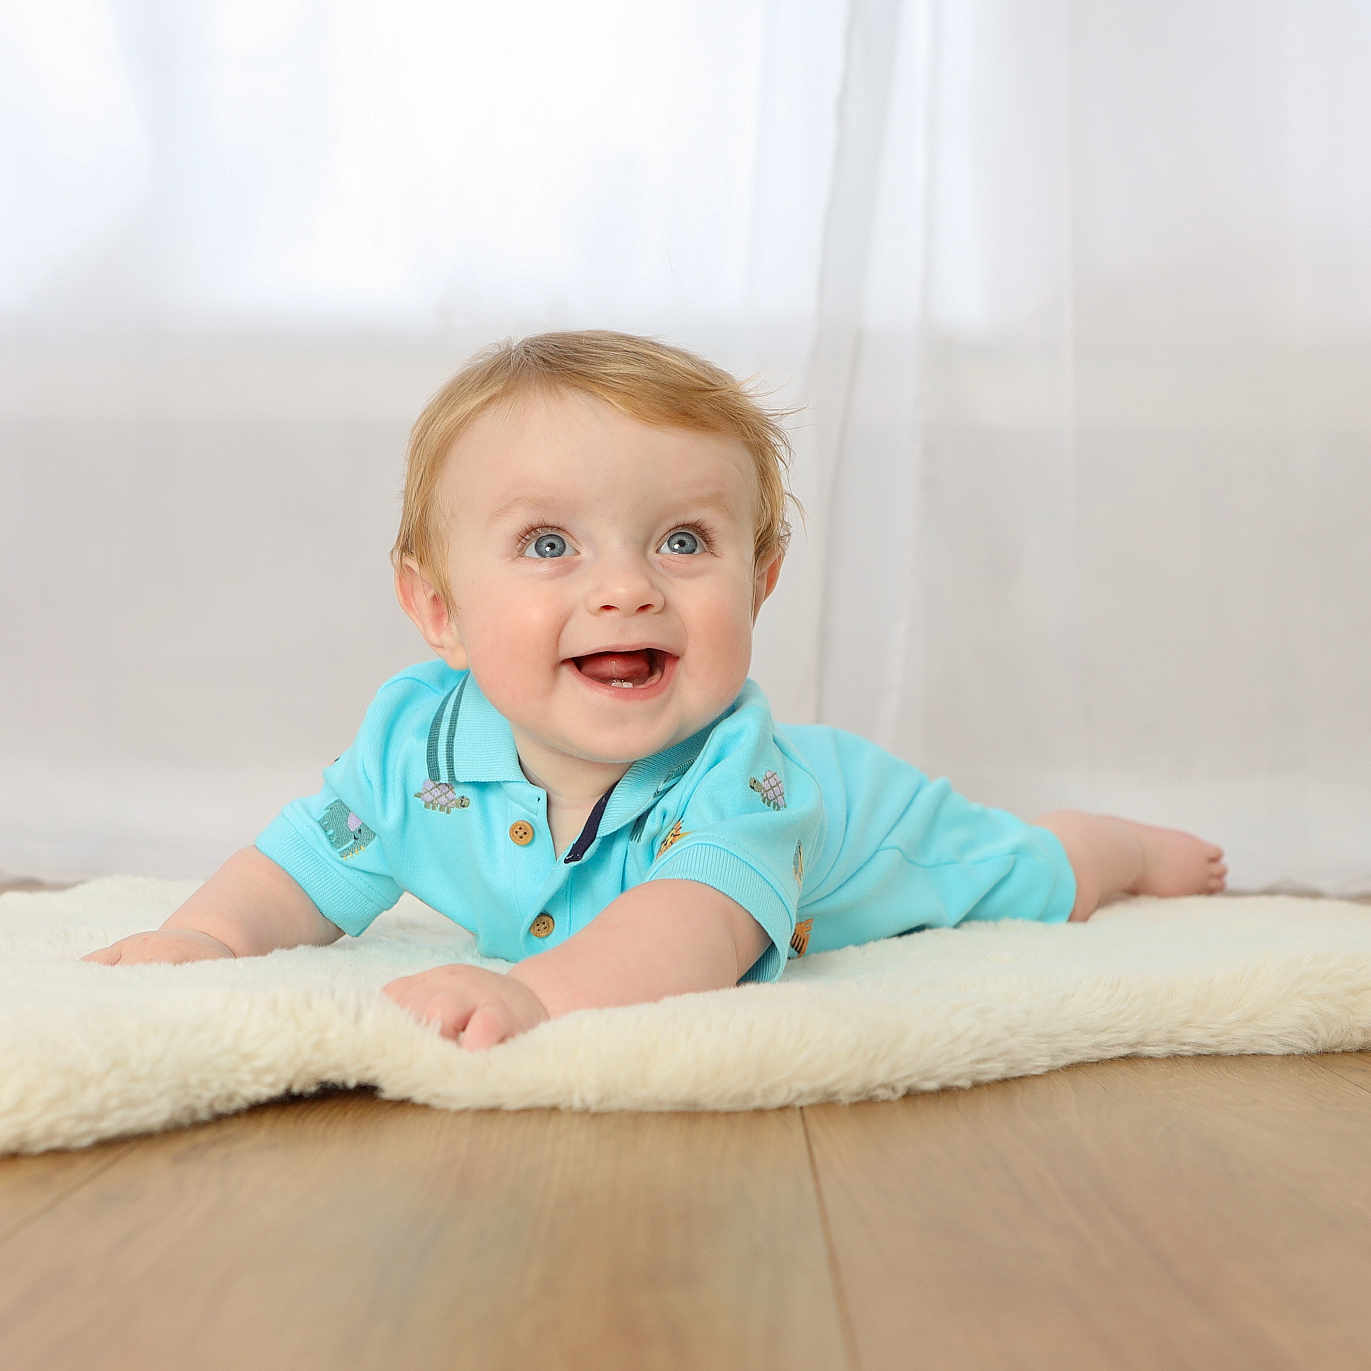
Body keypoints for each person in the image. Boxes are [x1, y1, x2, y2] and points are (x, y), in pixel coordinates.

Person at [83, 330, 1228, 1050]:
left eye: (683, 541)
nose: (626, 589)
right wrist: (208, 937)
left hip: (874, 832)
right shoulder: (409, 747)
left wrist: (540, 997)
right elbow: (301, 866)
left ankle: (1107, 847)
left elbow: (690, 935)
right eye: (547, 546)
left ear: (760, 578)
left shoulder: (747, 778)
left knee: (1016, 874)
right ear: (438, 611)